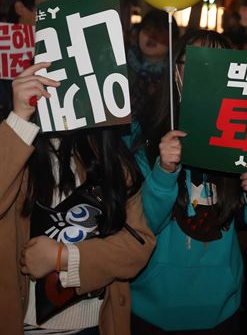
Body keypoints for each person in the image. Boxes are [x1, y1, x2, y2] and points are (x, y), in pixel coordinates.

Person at [128, 29, 247, 334]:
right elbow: (142, 223)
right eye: (194, 63)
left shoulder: (246, 134)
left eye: (217, 65)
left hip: (221, 309)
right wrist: (164, 171)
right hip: (151, 308)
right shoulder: (145, 135)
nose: (205, 73)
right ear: (176, 71)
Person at [1, 61, 155, 334]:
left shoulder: (112, 160)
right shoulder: (15, 145)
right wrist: (19, 119)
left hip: (95, 322)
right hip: (23, 321)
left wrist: (64, 256)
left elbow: (137, 246)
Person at [1, 0, 72, 119]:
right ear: (20, 8)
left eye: (57, 3)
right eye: (47, 4)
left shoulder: (60, 48)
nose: (55, 11)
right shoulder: (3, 58)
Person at [127, 9, 179, 121]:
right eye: (147, 29)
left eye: (159, 30)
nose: (152, 35)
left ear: (173, 39)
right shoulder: (121, 67)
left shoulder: (177, 76)